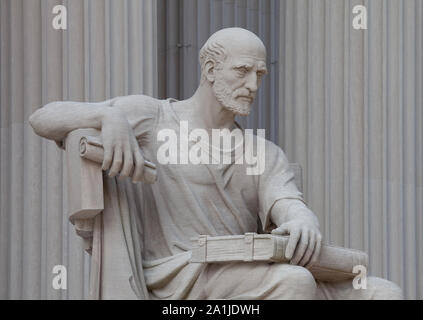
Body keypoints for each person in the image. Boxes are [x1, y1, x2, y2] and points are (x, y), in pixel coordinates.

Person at [29, 27, 403, 299]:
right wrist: (106, 117)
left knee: (383, 292)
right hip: (179, 278)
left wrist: (301, 218)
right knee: (293, 282)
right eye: (242, 71)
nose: (253, 85)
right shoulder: (152, 117)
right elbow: (43, 118)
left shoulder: (262, 151)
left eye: (259, 74)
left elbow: (286, 201)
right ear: (210, 70)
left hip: (247, 275)